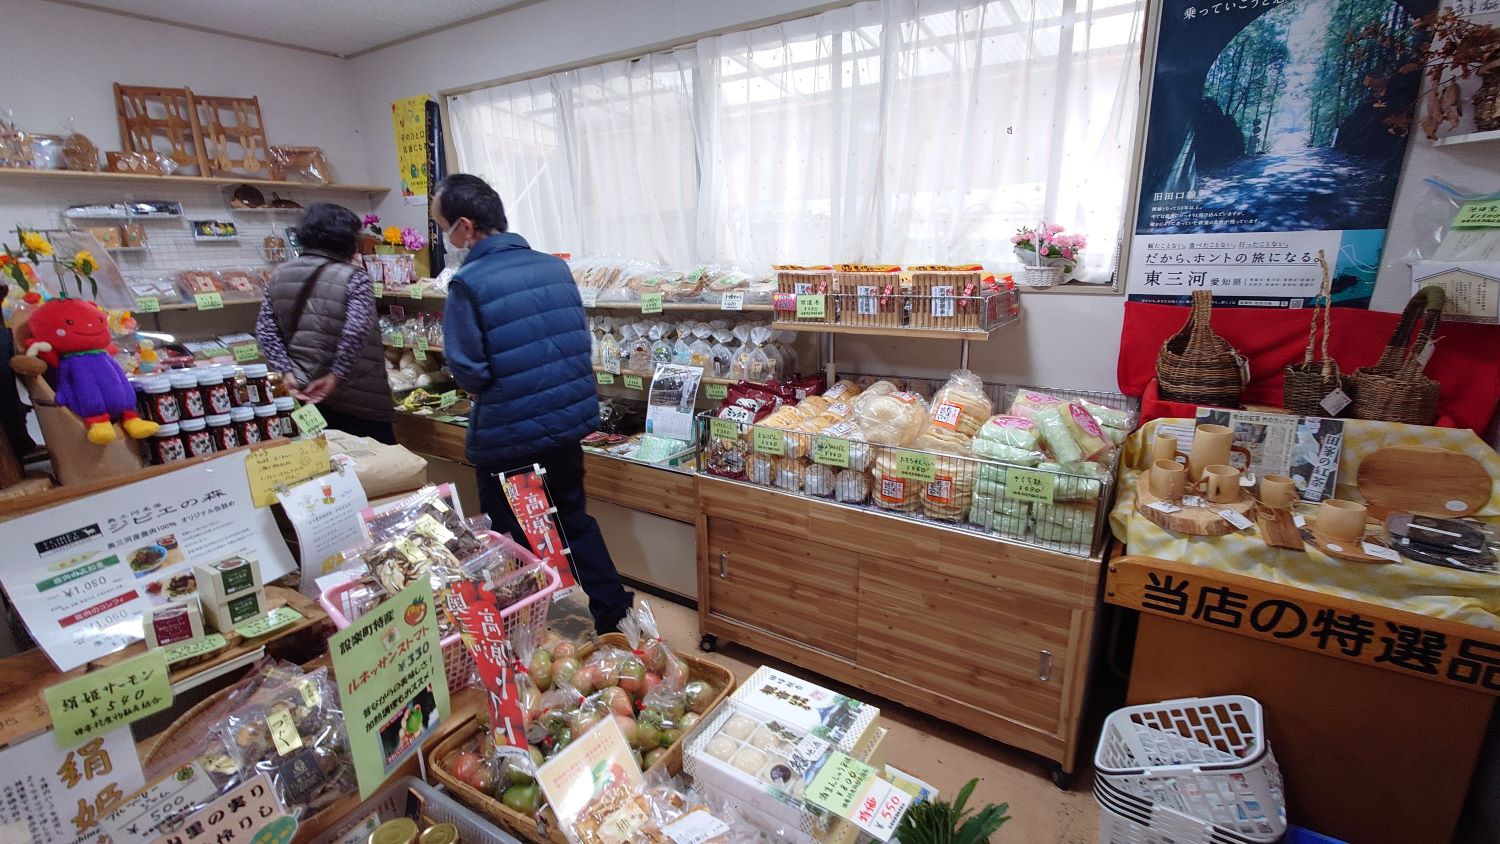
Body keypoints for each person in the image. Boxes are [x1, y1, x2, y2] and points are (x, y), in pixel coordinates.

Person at [432, 173, 634, 632]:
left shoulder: (468, 284)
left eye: (443, 228)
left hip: (508, 435)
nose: (446, 238)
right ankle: (617, 618)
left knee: (508, 538)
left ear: (466, 227)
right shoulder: (554, 268)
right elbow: (576, 342)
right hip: (564, 427)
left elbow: (470, 370)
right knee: (573, 521)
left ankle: (522, 630)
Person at [256, 203, 395, 444]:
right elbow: (356, 332)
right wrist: (335, 375)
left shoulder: (279, 274)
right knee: (376, 460)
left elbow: (265, 330)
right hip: (359, 398)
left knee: (322, 459)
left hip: (304, 392)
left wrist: (285, 372)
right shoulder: (354, 277)